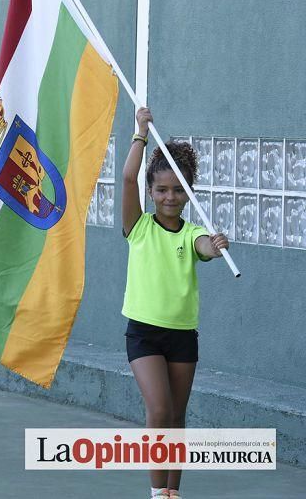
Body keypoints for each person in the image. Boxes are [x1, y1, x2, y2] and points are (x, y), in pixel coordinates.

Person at [122, 108, 229, 499]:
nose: (170, 197)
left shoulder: (193, 233)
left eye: (178, 190)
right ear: (151, 191)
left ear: (188, 193)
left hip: (183, 336)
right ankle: (156, 493)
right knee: (161, 412)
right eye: (162, 190)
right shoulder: (138, 227)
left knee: (178, 420)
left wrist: (216, 247)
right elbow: (127, 176)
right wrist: (140, 135)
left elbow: (204, 246)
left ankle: (172, 492)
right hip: (144, 335)